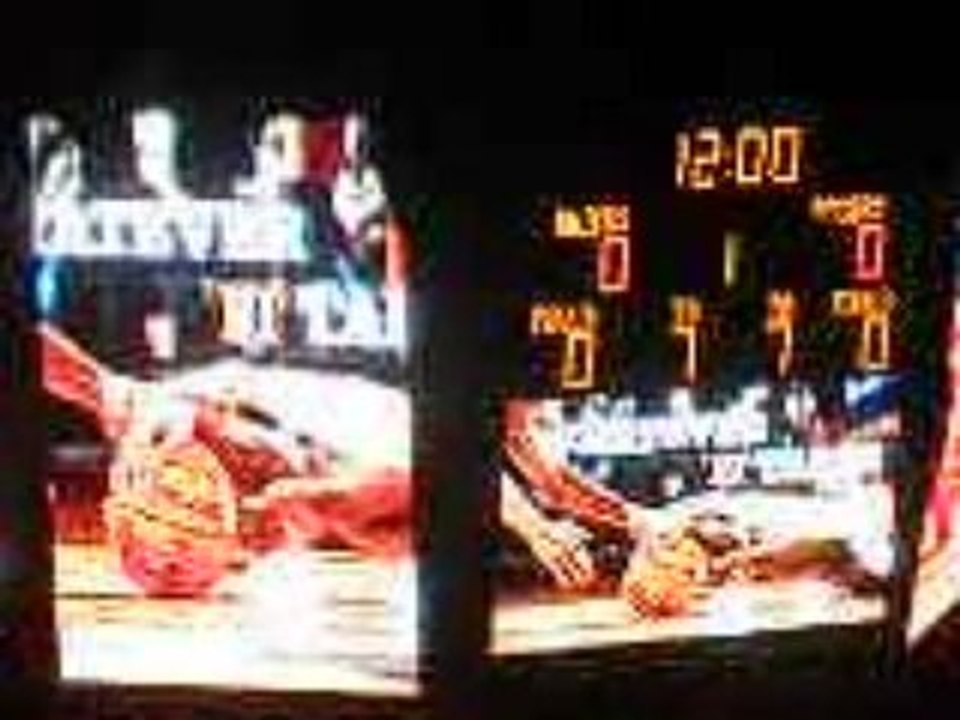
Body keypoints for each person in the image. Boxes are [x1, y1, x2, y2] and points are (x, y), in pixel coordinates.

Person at [500, 398, 659, 592]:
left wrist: (634, 517)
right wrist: (536, 528)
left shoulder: (520, 427)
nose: (536, 411)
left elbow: (558, 486)